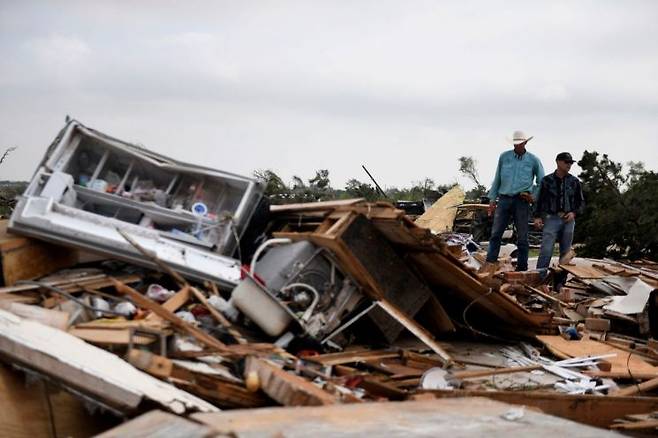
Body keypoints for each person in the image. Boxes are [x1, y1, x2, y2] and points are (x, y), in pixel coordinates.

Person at [484, 131, 545, 272]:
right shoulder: (504, 157)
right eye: (515, 143)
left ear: (525, 143)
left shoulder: (533, 160)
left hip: (521, 200)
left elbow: (542, 181)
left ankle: (522, 268)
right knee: (496, 234)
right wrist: (492, 199)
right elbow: (497, 178)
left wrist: (533, 196)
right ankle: (490, 264)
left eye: (520, 143)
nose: (517, 145)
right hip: (504, 198)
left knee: (523, 237)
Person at [534, 152, 585, 274]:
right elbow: (539, 200)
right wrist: (537, 217)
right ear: (558, 162)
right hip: (552, 218)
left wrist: (574, 213)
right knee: (546, 250)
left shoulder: (574, 181)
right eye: (566, 162)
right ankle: (539, 279)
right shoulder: (546, 181)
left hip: (569, 220)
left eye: (570, 163)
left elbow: (581, 202)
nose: (569, 165)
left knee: (566, 254)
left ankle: (560, 285)